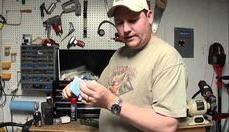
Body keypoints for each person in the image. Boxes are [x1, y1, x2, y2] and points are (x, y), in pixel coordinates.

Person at [62, 0, 188, 131]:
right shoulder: (119, 54)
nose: (126, 29)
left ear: (149, 17)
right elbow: (100, 89)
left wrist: (110, 102)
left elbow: (167, 125)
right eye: (120, 23)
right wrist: (78, 86)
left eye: (133, 20)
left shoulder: (168, 59)